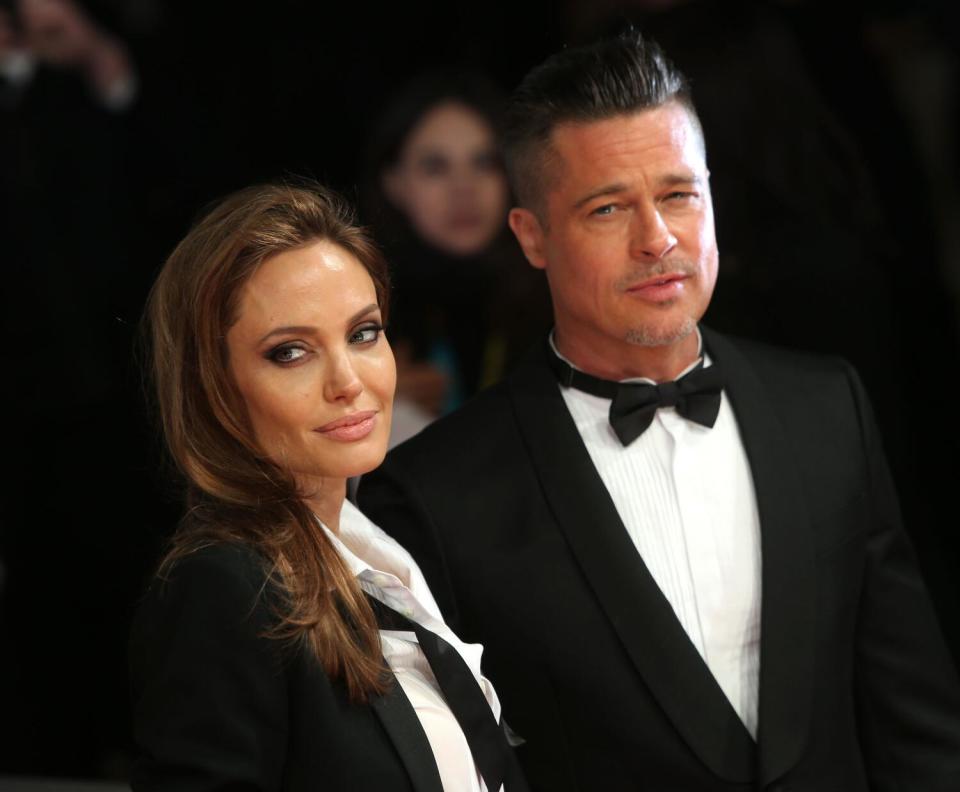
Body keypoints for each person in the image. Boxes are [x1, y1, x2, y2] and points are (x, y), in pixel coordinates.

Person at [357, 31, 960, 791]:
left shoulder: (827, 407)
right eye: (609, 208)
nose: (658, 238)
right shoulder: (435, 494)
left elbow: (921, 729)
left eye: (679, 194)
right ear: (532, 236)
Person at [129, 182, 528, 792]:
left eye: (363, 333)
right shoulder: (223, 586)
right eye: (291, 352)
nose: (347, 381)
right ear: (213, 388)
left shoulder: (378, 555)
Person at [364, 71, 551, 440]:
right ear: (393, 182)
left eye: (485, 163)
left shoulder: (557, 295)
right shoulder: (361, 307)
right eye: (435, 166)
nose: (464, 189)